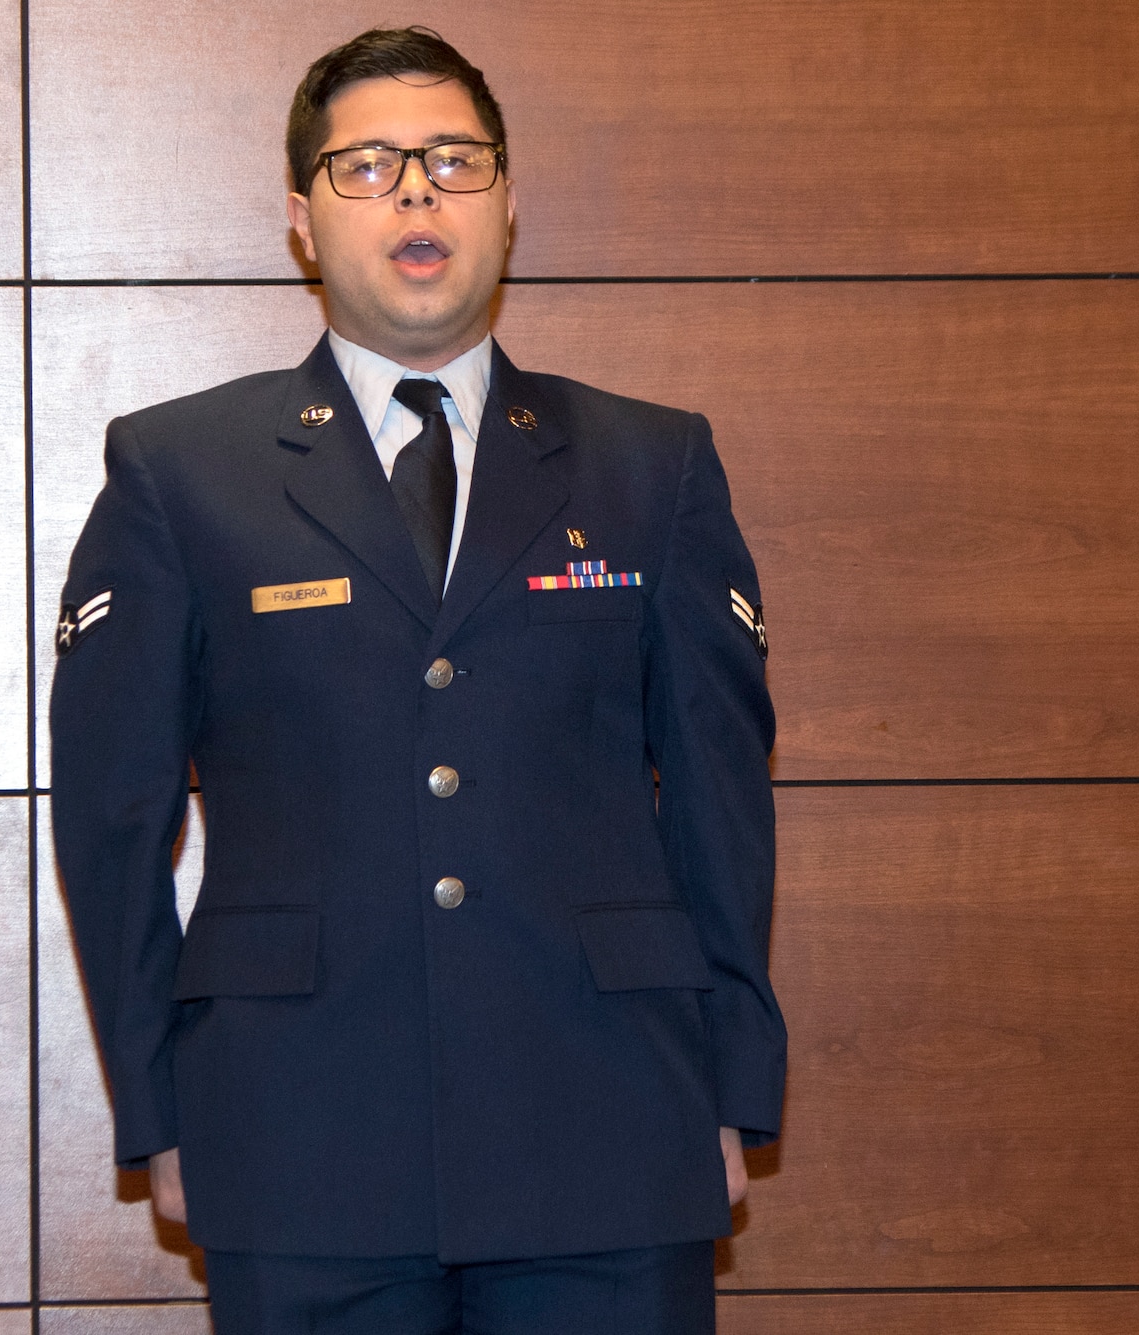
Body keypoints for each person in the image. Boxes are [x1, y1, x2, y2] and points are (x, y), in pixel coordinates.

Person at [49, 26, 783, 1334]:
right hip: (295, 1139)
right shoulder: (181, 471)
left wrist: (731, 1082)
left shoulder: (651, 468)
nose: (415, 193)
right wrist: (159, 1106)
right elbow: (112, 819)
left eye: (453, 160)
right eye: (368, 166)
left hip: (610, 1126)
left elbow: (723, 798)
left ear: (507, 204)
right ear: (301, 218)